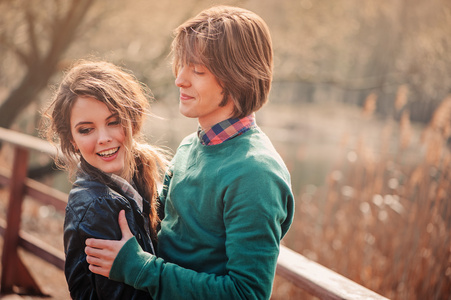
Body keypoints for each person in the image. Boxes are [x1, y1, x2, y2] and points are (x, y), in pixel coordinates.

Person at [85, 5, 295, 300]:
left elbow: (247, 294)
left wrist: (138, 268)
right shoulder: (190, 146)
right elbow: (161, 228)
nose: (180, 79)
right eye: (181, 65)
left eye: (198, 70)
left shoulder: (255, 174)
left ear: (237, 77)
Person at [43, 60, 167, 299]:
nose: (104, 138)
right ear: (71, 139)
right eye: (86, 129)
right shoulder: (100, 205)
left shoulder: (133, 180)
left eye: (113, 122)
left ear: (132, 119)